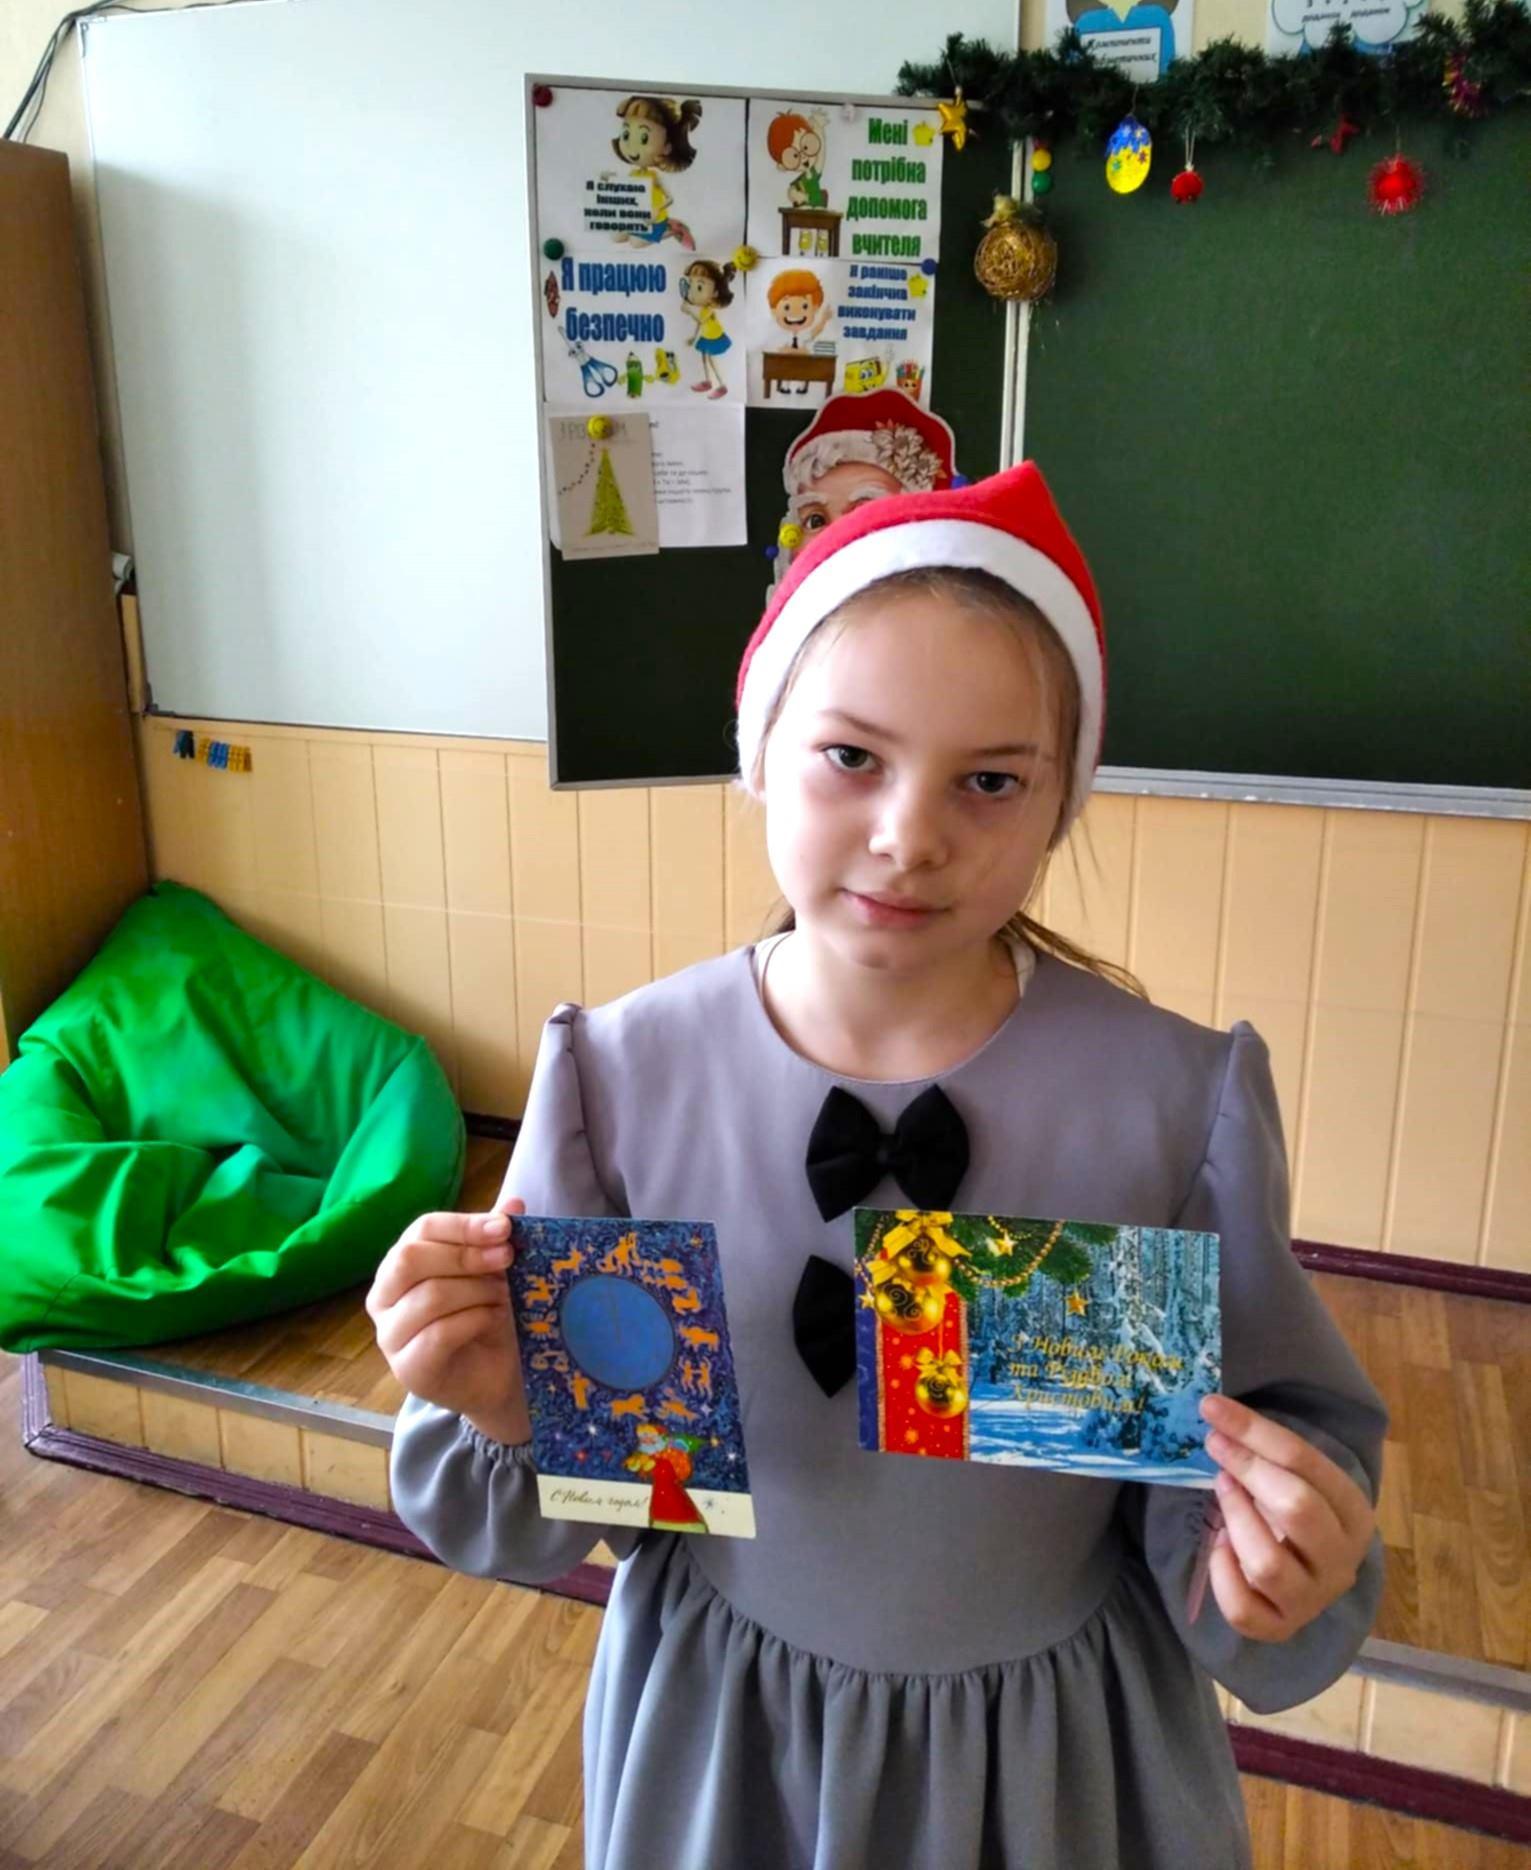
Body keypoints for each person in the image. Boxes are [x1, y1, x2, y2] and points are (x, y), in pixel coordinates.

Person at [372, 463, 1386, 1870]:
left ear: (1061, 802)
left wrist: (1269, 1548)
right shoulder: (628, 1080)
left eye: (991, 780)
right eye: (852, 756)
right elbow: (609, 1489)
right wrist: (511, 1403)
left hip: (1054, 1771)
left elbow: (1226, 1463)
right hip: (733, 1752)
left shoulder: (1166, 1105)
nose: (911, 835)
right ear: (758, 751)